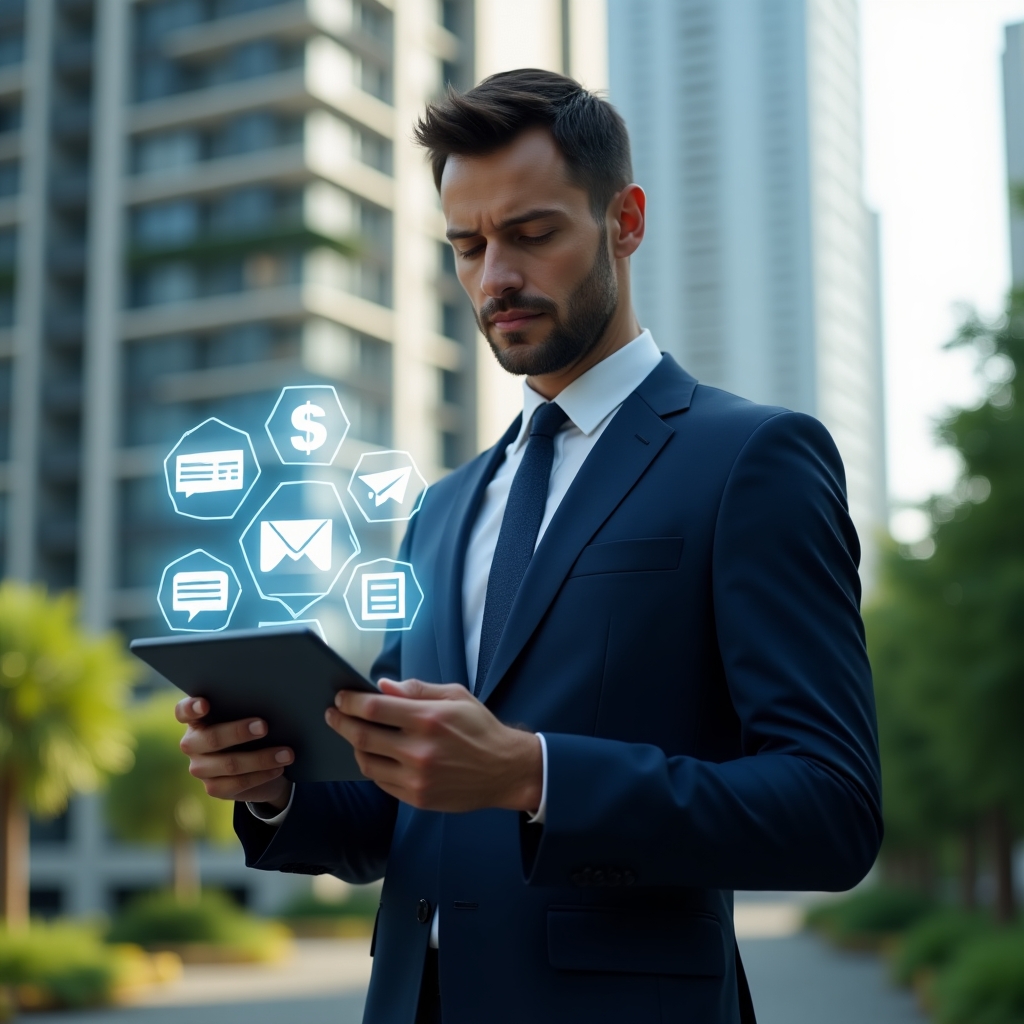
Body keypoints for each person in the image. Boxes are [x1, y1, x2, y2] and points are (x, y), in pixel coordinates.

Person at [177, 69, 882, 1024]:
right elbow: (395, 810)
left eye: (532, 234)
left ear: (625, 221)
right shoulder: (441, 508)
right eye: (467, 246)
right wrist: (273, 786)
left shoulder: (751, 458)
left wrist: (534, 774)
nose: (494, 278)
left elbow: (832, 809)